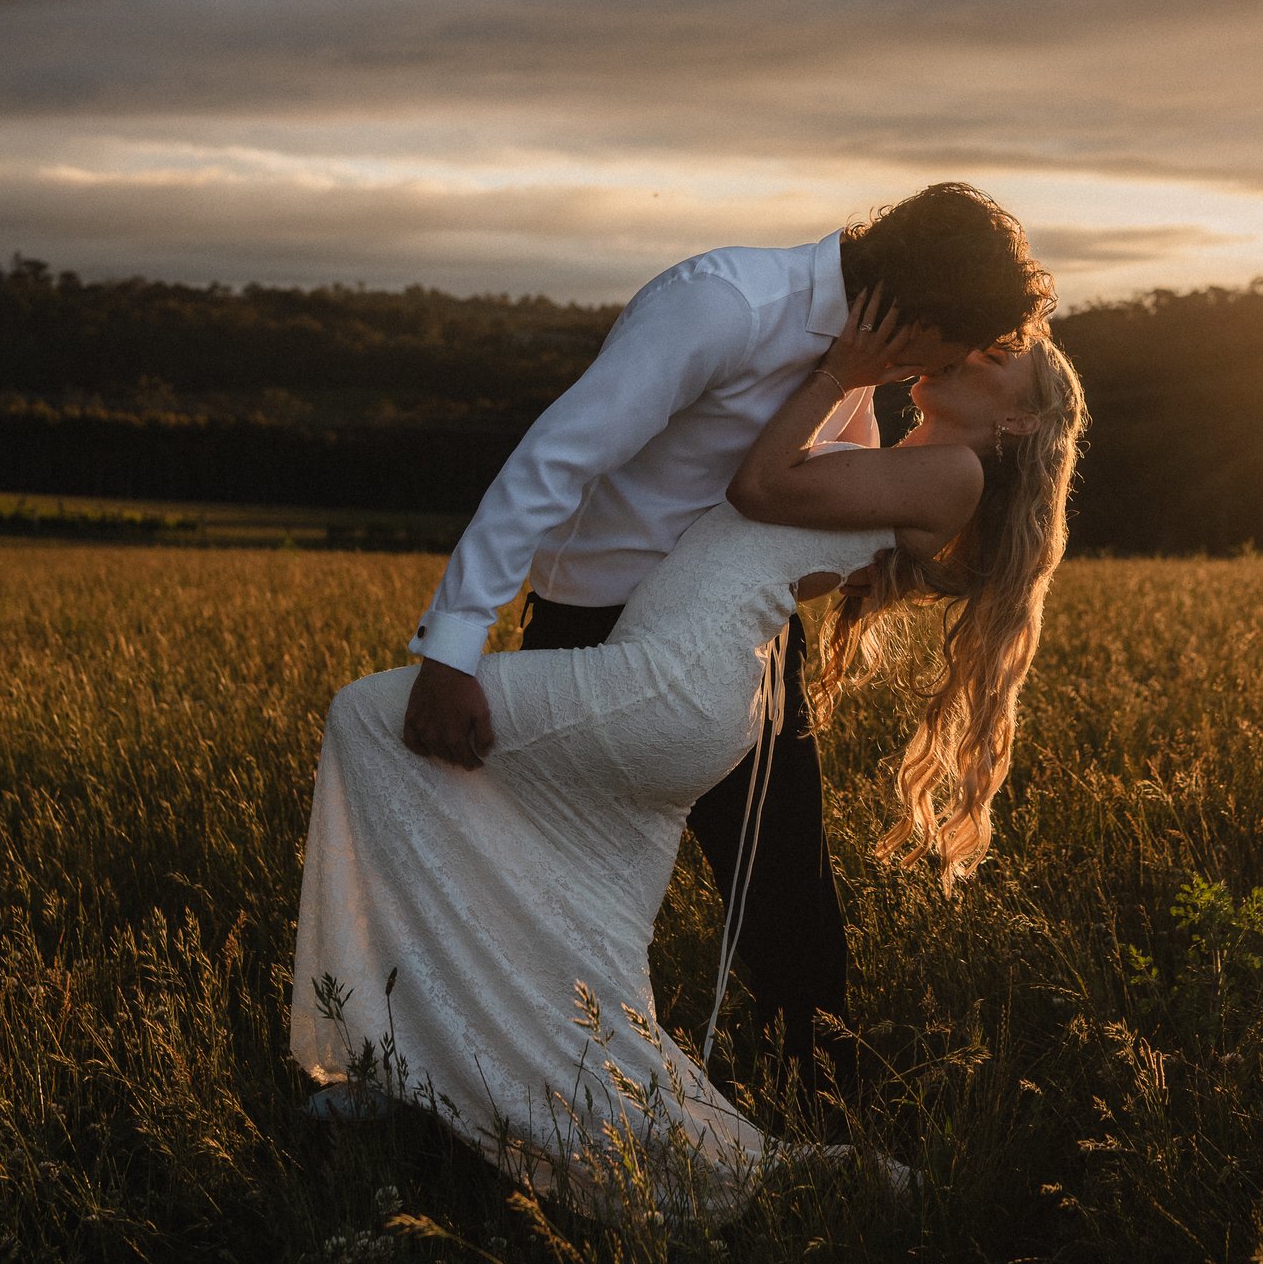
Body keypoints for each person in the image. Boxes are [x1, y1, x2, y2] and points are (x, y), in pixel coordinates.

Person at [288, 284, 1087, 1215]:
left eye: (998, 360)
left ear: (1024, 419)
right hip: (679, 684)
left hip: (670, 683)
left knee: (368, 719)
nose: (972, 354)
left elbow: (759, 483)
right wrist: (851, 382)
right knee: (581, 933)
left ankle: (372, 1057)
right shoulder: (914, 461)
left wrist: (840, 370)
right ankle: (532, 1109)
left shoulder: (958, 475)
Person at [391, 182, 1051, 1095]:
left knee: (789, 900)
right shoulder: (723, 305)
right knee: (536, 880)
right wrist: (452, 647)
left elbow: (816, 490)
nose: (944, 368)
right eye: (957, 345)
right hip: (598, 627)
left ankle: (819, 1109)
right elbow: (557, 457)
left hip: (744, 648)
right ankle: (488, 1082)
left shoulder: (856, 370)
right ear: (920, 320)